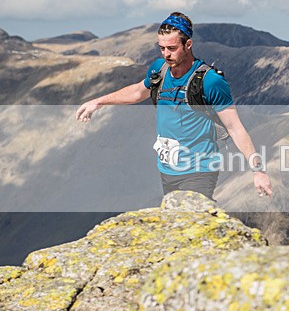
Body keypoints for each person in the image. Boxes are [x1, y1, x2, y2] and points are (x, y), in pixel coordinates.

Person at [76, 12, 272, 200]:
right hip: (167, 170)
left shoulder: (210, 81)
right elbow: (137, 92)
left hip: (199, 170)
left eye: (172, 48)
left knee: (192, 218)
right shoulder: (159, 70)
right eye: (162, 48)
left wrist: (258, 171)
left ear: (188, 44)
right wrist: (98, 102)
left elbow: (235, 128)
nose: (166, 54)